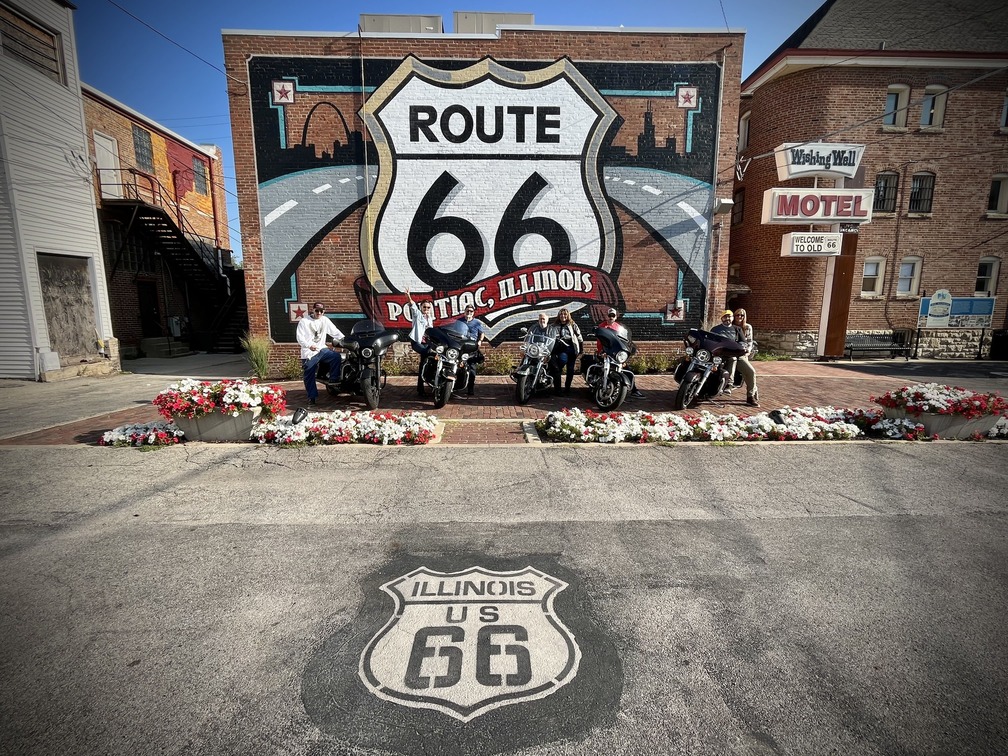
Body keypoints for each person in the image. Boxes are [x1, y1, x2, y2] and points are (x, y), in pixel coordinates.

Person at [296, 302, 344, 406]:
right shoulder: (304, 321)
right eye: (317, 310)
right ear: (313, 310)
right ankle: (311, 397)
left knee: (335, 356)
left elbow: (335, 332)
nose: (319, 313)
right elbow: (300, 338)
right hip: (309, 352)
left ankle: (333, 380)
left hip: (322, 350)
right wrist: (309, 345)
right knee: (309, 372)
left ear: (324, 311)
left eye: (321, 311)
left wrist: (344, 340)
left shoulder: (325, 320)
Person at [597, 307, 645, 399]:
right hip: (605, 352)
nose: (611, 317)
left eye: (613, 315)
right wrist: (601, 352)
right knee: (600, 367)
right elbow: (599, 341)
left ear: (616, 317)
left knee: (628, 370)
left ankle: (633, 390)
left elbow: (624, 342)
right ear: (607, 316)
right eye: (609, 315)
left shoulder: (619, 327)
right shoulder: (602, 326)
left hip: (615, 354)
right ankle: (598, 385)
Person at [457, 304, 492, 397]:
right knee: (458, 366)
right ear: (464, 311)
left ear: (473, 313)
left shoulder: (477, 322)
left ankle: (470, 388)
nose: (469, 313)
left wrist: (480, 341)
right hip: (461, 347)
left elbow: (482, 333)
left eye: (471, 311)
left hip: (472, 347)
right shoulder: (459, 321)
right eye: (467, 311)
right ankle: (456, 386)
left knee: (472, 368)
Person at [405, 288, 434, 396]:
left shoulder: (430, 318)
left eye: (428, 307)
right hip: (417, 342)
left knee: (425, 362)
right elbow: (412, 304)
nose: (426, 308)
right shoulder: (417, 314)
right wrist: (408, 295)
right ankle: (421, 388)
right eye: (424, 307)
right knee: (427, 354)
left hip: (426, 343)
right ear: (421, 307)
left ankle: (422, 387)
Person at [527, 311, 561, 395]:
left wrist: (548, 353)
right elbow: (529, 337)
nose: (542, 321)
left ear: (547, 320)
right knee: (525, 358)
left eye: (543, 319)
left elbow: (554, 341)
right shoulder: (534, 328)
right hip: (535, 350)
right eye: (540, 319)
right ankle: (521, 378)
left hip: (547, 351)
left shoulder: (551, 329)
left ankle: (558, 390)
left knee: (555, 367)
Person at [552, 307, 583, 395]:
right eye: (561, 314)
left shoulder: (573, 325)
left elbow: (580, 338)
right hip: (561, 349)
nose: (563, 316)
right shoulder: (554, 325)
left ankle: (567, 388)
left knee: (570, 370)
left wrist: (581, 351)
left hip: (571, 349)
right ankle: (557, 388)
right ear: (559, 316)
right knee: (561, 361)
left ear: (568, 315)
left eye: (565, 314)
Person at [733, 308, 759, 406]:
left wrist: (747, 351)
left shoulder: (747, 327)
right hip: (728, 354)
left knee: (750, 372)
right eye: (737, 315)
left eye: (742, 315)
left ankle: (750, 396)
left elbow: (749, 341)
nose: (739, 317)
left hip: (741, 354)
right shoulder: (729, 326)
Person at [711, 309, 741, 395]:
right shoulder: (715, 329)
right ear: (722, 318)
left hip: (730, 353)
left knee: (733, 359)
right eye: (725, 317)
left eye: (729, 316)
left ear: (732, 318)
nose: (727, 318)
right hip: (717, 352)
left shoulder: (737, 329)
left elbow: (742, 341)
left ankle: (729, 385)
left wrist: (740, 347)